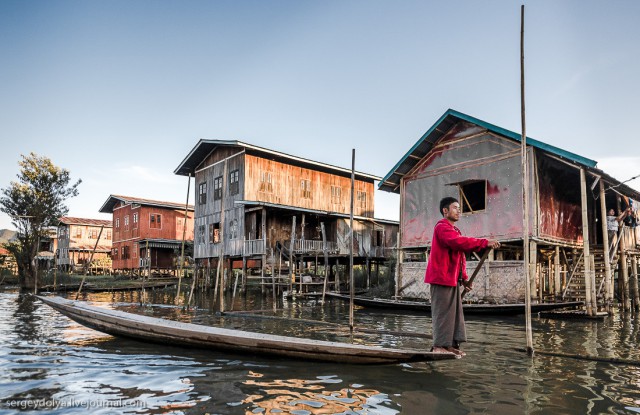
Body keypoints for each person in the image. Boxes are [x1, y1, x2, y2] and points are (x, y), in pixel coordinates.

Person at [424, 197, 500, 357]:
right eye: (455, 207)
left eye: (459, 208)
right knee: (443, 312)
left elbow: (460, 257)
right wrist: (484, 242)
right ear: (445, 211)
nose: (459, 211)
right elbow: (458, 243)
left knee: (454, 313)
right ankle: (439, 345)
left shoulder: (454, 231)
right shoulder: (441, 227)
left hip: (451, 279)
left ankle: (449, 345)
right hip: (441, 278)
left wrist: (464, 278)